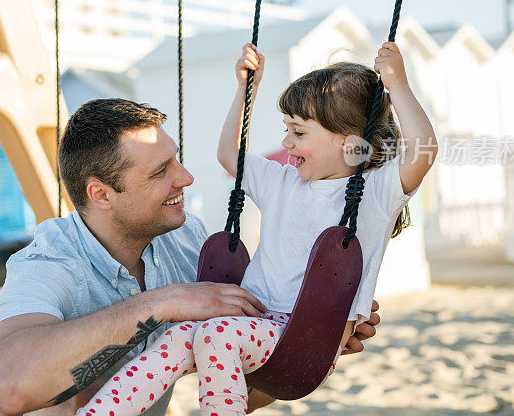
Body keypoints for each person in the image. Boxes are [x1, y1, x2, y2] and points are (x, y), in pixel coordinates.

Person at [76, 41, 436, 416]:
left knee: (216, 334)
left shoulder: (373, 194)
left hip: (307, 339)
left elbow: (424, 151)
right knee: (178, 337)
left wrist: (399, 85)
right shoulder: (283, 182)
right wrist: (245, 91)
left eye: (298, 133)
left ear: (348, 141)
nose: (286, 143)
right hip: (253, 322)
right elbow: (228, 155)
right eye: (287, 130)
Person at [0, 98, 382, 416]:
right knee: (59, 400)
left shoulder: (186, 237)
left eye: (176, 158)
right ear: (101, 195)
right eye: (161, 171)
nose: (185, 177)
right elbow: (9, 389)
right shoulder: (50, 260)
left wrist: (303, 342)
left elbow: (242, 388)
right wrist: (163, 302)